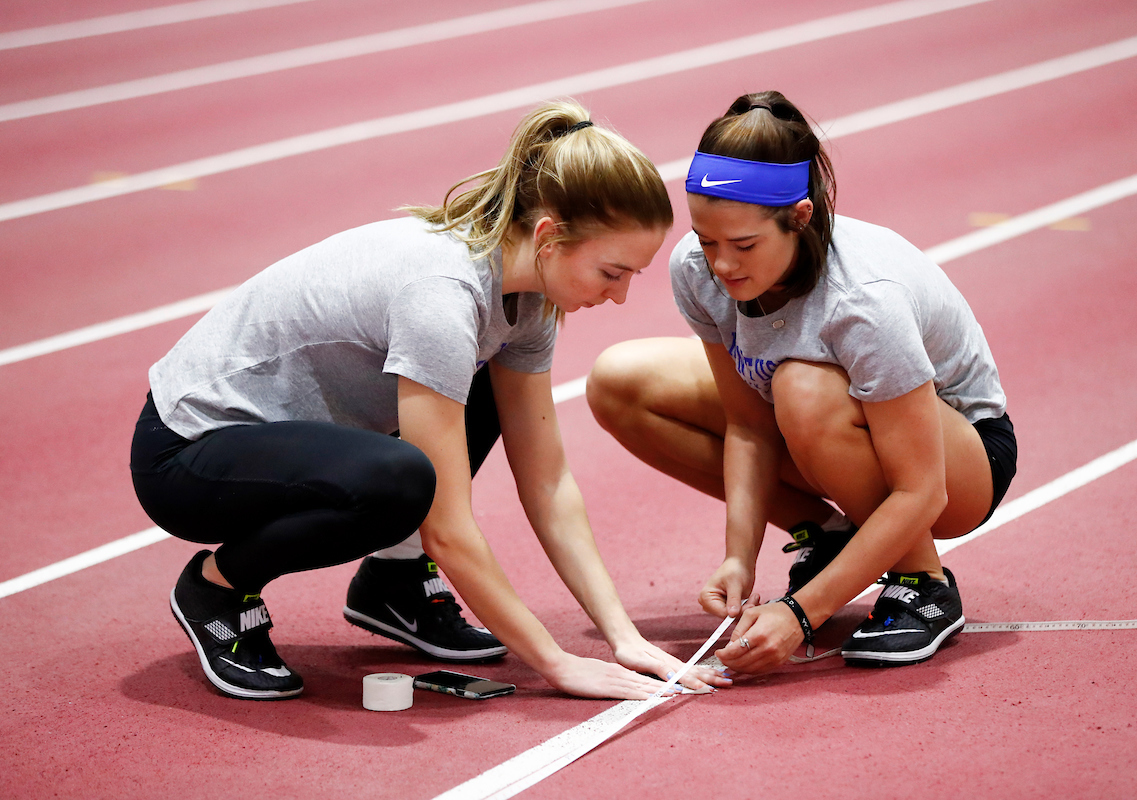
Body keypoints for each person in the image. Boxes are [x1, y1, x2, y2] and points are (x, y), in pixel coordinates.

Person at [130, 99, 730, 700]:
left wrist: (622, 635)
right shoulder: (442, 297)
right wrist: (556, 663)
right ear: (548, 236)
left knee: (479, 400)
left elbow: (546, 479)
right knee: (400, 480)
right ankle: (219, 587)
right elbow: (446, 524)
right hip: (187, 454)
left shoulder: (526, 299)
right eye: (611, 272)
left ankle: (394, 579)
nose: (621, 296)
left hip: (284, 441)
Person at [587, 91, 1017, 674]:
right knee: (619, 381)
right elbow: (747, 422)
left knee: (802, 386)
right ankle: (828, 534)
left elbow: (924, 490)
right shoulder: (698, 269)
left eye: (744, 246)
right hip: (812, 413)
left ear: (801, 217)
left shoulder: (863, 302)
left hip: (959, 457)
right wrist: (739, 558)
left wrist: (801, 613)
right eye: (707, 240)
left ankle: (925, 583)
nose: (723, 266)